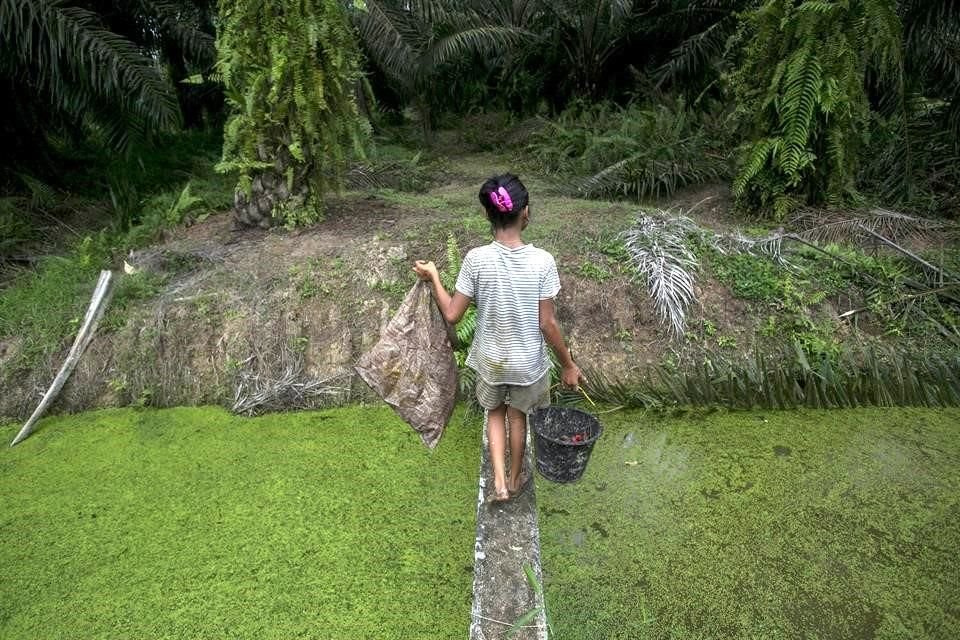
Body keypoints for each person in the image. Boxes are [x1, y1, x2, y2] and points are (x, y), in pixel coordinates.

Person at [413, 173, 584, 503]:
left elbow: (452, 314)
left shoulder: (476, 259)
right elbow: (547, 324)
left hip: (491, 360)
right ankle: (516, 479)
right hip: (527, 365)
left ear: (486, 215)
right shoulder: (543, 261)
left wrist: (434, 276)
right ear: (526, 213)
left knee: (494, 413)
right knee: (518, 417)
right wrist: (568, 364)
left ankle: (499, 484)